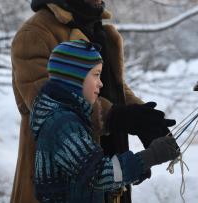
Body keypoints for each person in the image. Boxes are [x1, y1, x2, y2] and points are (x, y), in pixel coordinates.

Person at [10, 0, 175, 203]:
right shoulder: (35, 34)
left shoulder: (98, 30)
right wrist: (118, 117)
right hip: (62, 180)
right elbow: (45, 101)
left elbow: (112, 86)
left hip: (107, 166)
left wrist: (143, 116)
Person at [31, 40, 179, 202]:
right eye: (96, 75)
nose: (101, 83)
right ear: (74, 79)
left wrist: (135, 169)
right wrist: (150, 157)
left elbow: (84, 176)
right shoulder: (64, 125)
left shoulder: (70, 117)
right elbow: (98, 174)